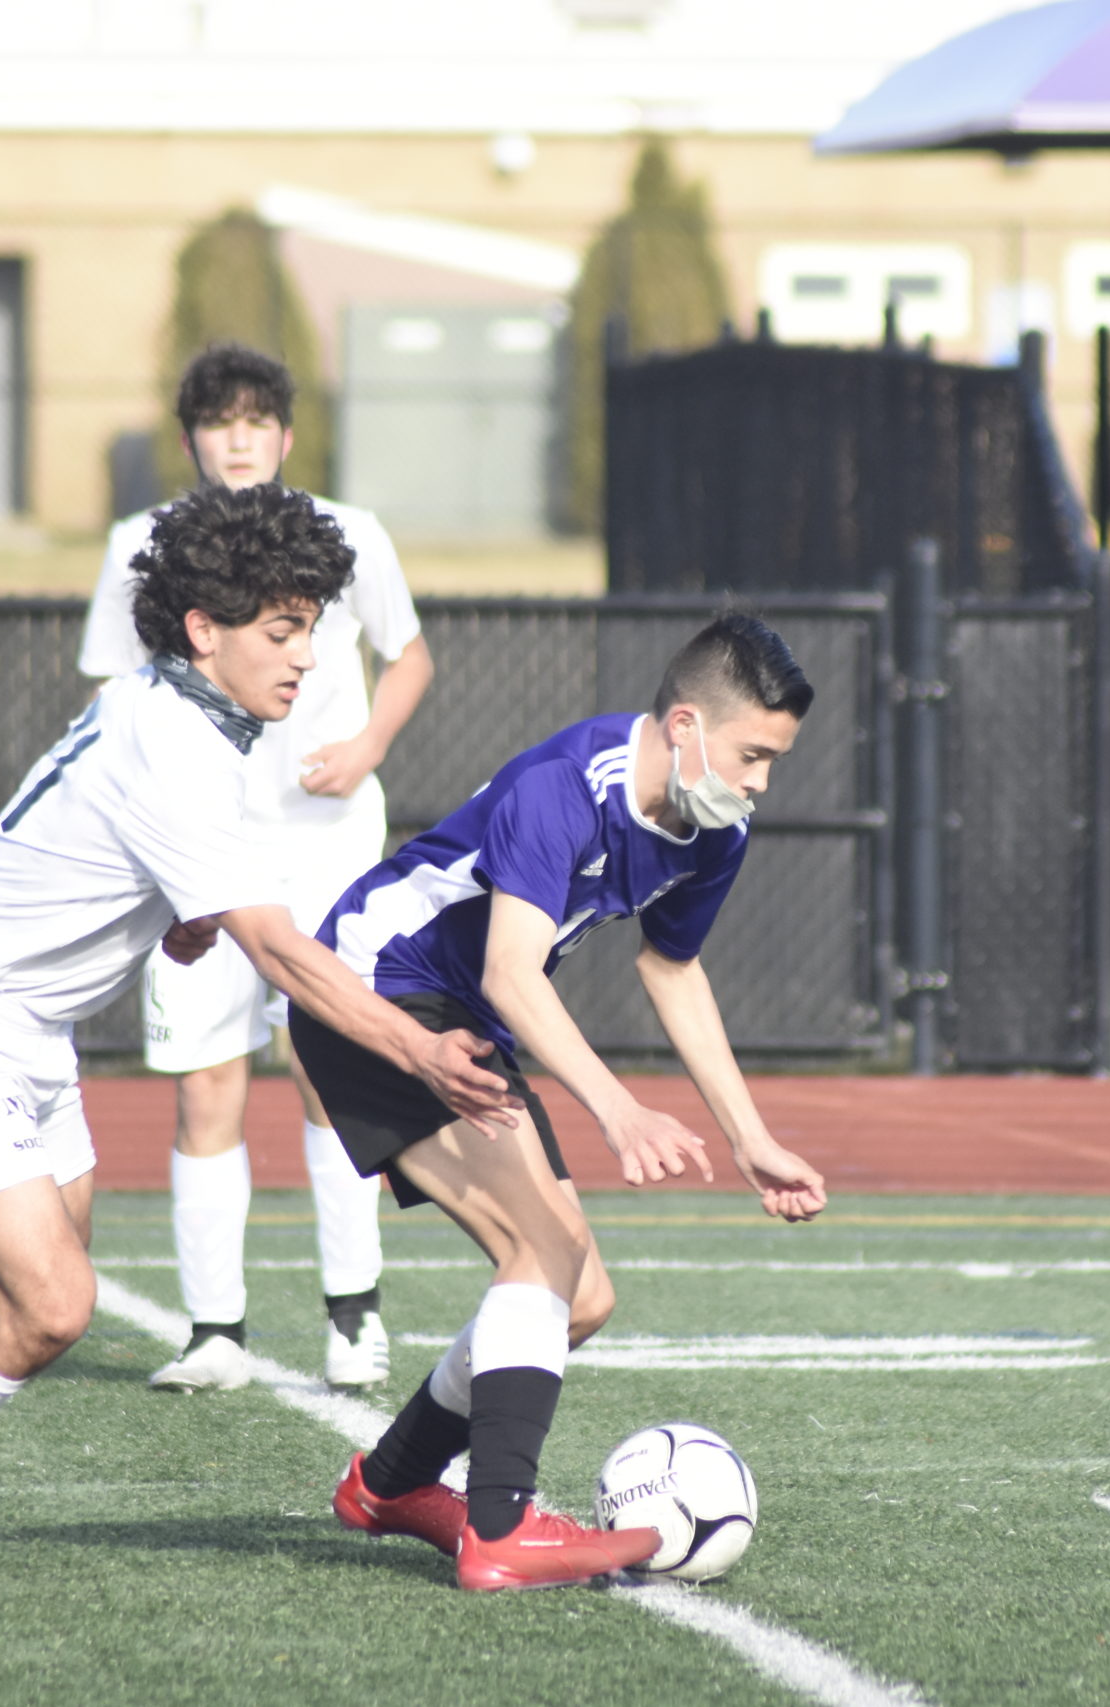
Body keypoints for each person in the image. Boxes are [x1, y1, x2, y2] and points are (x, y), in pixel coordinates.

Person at [0, 482, 513, 1573]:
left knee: (17, 1282)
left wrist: (179, 918)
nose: (309, 659)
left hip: (19, 1028)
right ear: (203, 630)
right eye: (283, 632)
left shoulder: (176, 708)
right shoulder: (179, 744)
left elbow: (135, 862)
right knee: (49, 1307)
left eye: (313, 629)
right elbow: (278, 952)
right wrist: (419, 1049)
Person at [293, 611, 831, 1591]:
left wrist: (749, 1139)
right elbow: (509, 972)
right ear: (683, 727)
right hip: (373, 992)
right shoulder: (562, 788)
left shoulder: (714, 827)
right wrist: (617, 1109)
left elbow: (672, 969)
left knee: (578, 1298)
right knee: (539, 1250)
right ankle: (499, 1530)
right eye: (752, 754)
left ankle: (391, 1484)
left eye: (773, 761)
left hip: (464, 1011)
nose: (758, 781)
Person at [79, 342, 433, 1394]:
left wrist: (368, 745)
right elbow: (110, 693)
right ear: (190, 438)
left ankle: (352, 1315)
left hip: (324, 848)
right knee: (207, 1090)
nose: (238, 437)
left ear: (284, 436)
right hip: (199, 853)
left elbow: (407, 653)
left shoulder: (347, 536)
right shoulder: (140, 545)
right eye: (217, 420)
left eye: (256, 419)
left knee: (330, 1067)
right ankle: (214, 1332)